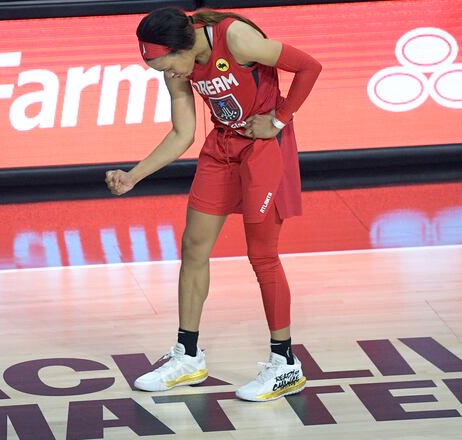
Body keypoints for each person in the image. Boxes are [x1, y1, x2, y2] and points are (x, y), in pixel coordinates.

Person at [105, 7, 321, 402]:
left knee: (262, 255)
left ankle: (286, 364)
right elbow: (182, 133)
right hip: (221, 148)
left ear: (184, 47)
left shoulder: (236, 38)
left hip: (264, 148)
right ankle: (188, 357)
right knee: (193, 247)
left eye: (167, 65)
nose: (168, 74)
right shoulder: (177, 70)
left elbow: (309, 66)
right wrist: (134, 175)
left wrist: (278, 119)